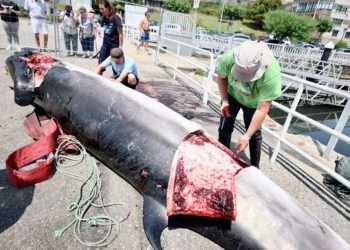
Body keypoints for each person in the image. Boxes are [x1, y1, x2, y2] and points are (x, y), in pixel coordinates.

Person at [216, 40, 281, 168]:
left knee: (254, 135)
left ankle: (254, 167)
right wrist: (224, 100)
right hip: (231, 95)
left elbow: (262, 109)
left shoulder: (271, 74)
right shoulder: (228, 58)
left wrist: (246, 136)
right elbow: (221, 78)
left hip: (253, 104)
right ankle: (222, 156)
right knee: (225, 126)